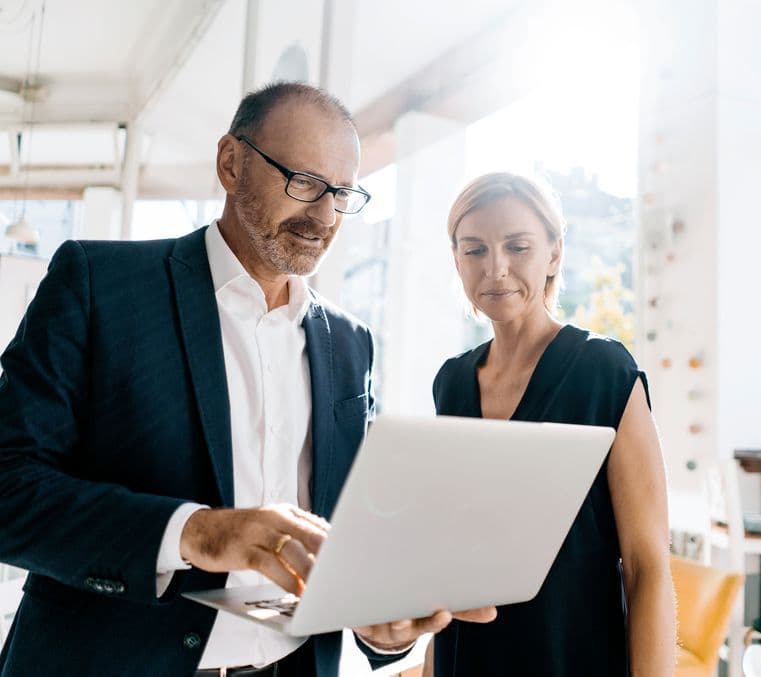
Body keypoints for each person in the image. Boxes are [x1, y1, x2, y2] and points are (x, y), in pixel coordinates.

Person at [0, 82, 491, 677]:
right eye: (305, 182)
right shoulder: (97, 283)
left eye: (342, 193)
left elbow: (341, 526)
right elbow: (10, 488)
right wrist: (196, 533)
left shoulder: (348, 343)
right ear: (230, 164)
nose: (324, 216)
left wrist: (380, 623)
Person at [427, 173, 676, 676]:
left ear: (554, 255)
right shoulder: (451, 382)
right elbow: (450, 560)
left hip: (569, 655)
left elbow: (647, 566)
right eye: (474, 250)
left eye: (517, 246)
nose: (495, 269)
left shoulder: (603, 370)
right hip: (466, 655)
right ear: (456, 259)